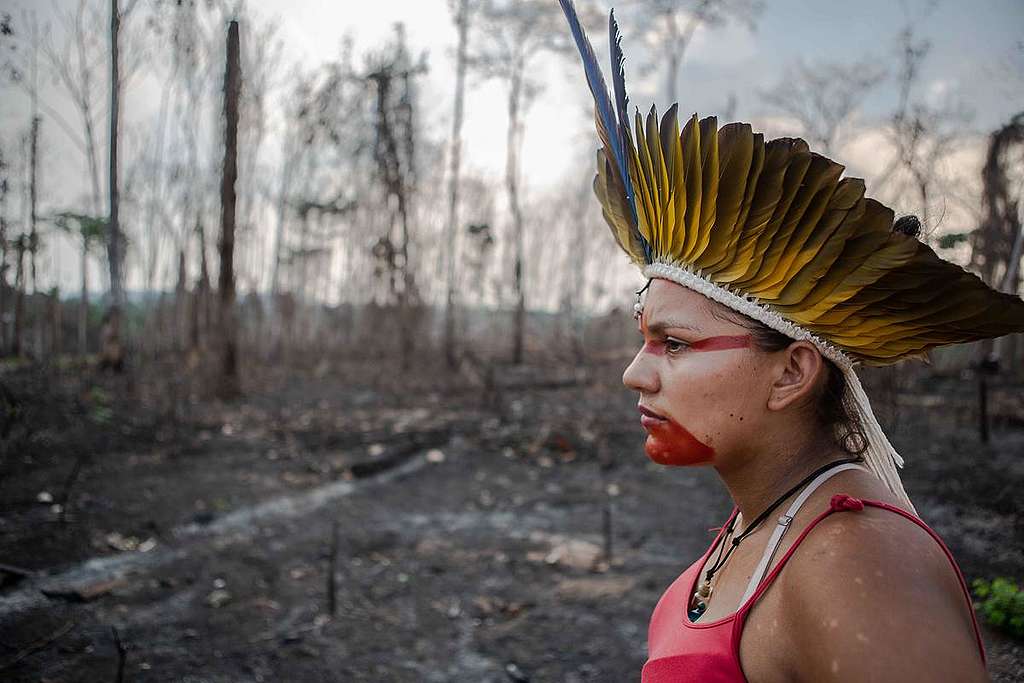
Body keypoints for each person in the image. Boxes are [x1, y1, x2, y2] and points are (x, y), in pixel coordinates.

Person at [556, 1, 1024, 680]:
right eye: (644, 338)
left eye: (675, 343)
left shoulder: (856, 562)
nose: (634, 373)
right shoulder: (766, 517)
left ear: (791, 372)